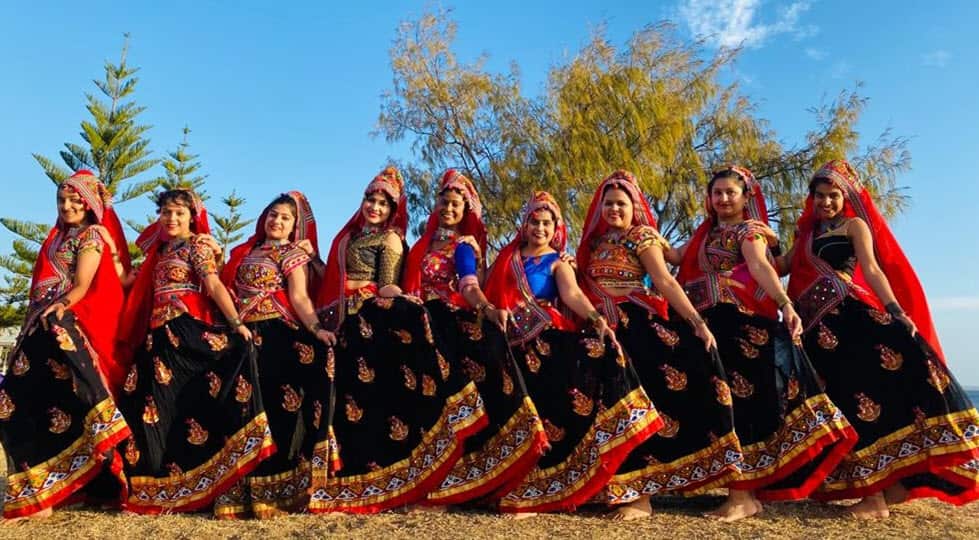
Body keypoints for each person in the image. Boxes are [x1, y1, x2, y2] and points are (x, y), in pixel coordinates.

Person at [783, 159, 979, 517]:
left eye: (832, 195)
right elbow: (781, 266)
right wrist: (750, 240)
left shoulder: (854, 226)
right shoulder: (807, 235)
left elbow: (871, 269)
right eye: (819, 196)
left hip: (851, 321)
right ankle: (888, 491)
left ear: (846, 196)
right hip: (818, 332)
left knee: (865, 400)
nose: (825, 202)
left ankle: (875, 498)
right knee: (843, 404)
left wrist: (896, 309)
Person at [673, 165, 856, 521]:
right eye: (717, 193)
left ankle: (742, 497)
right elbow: (676, 257)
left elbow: (760, 266)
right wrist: (641, 234)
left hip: (743, 327)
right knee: (722, 404)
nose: (723, 199)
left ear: (745, 198)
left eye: (731, 192)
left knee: (741, 405)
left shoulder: (751, 232)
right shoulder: (706, 233)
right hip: (716, 325)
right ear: (709, 199)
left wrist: (785, 305)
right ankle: (742, 494)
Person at [308, 166, 486, 514]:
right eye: (370, 200)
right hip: (345, 322)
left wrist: (481, 304)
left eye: (382, 203)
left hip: (387, 320)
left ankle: (427, 481)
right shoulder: (357, 238)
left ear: (393, 211)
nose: (374, 207)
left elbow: (391, 285)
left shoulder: (393, 240)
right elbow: (328, 272)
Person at [576, 170, 742, 520]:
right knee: (607, 407)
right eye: (608, 203)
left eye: (621, 203)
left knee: (644, 406)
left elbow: (665, 281)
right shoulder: (594, 244)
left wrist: (696, 322)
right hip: (603, 333)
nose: (614, 209)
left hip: (637, 330)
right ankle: (607, 487)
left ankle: (642, 498)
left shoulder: (643, 238)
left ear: (634, 206)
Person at [485, 191, 662, 517]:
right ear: (525, 225)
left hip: (545, 343)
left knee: (556, 409)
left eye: (546, 223)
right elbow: (484, 290)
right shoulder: (505, 260)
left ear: (556, 228)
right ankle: (507, 486)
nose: (540, 228)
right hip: (506, 345)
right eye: (534, 222)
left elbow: (573, 293)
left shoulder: (557, 261)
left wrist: (596, 321)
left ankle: (552, 490)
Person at [115, 189, 275, 514]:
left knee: (192, 407)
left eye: (178, 212)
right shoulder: (160, 251)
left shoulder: (197, 245)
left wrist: (236, 323)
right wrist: (106, 231)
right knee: (152, 411)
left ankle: (208, 482)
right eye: (166, 213)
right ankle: (161, 487)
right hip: (157, 340)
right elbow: (124, 276)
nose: (171, 219)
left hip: (185, 334)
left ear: (192, 216)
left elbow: (213, 285)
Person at [402, 170, 548, 506]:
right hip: (418, 317)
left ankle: (477, 479)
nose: (450, 208)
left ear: (465, 210)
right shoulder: (421, 246)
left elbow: (469, 285)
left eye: (456, 204)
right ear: (436, 205)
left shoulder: (463, 245)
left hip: (448, 319)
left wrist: (485, 308)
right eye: (445, 202)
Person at [0, 170, 131, 520]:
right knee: (20, 404)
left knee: (73, 403)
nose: (67, 205)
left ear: (89, 204)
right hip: (39, 327)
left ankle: (72, 487)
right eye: (62, 200)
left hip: (62, 326)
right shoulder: (55, 238)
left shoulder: (90, 236)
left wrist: (59, 307)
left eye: (75, 200)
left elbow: (82, 285)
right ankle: (40, 489)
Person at [213, 191, 337, 518]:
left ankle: (280, 492)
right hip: (241, 337)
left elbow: (298, 296)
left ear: (295, 226)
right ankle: (239, 492)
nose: (276, 221)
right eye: (272, 214)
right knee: (239, 410)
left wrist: (314, 329)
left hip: (275, 335)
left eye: (284, 217)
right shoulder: (245, 251)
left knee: (278, 408)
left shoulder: (292, 254)